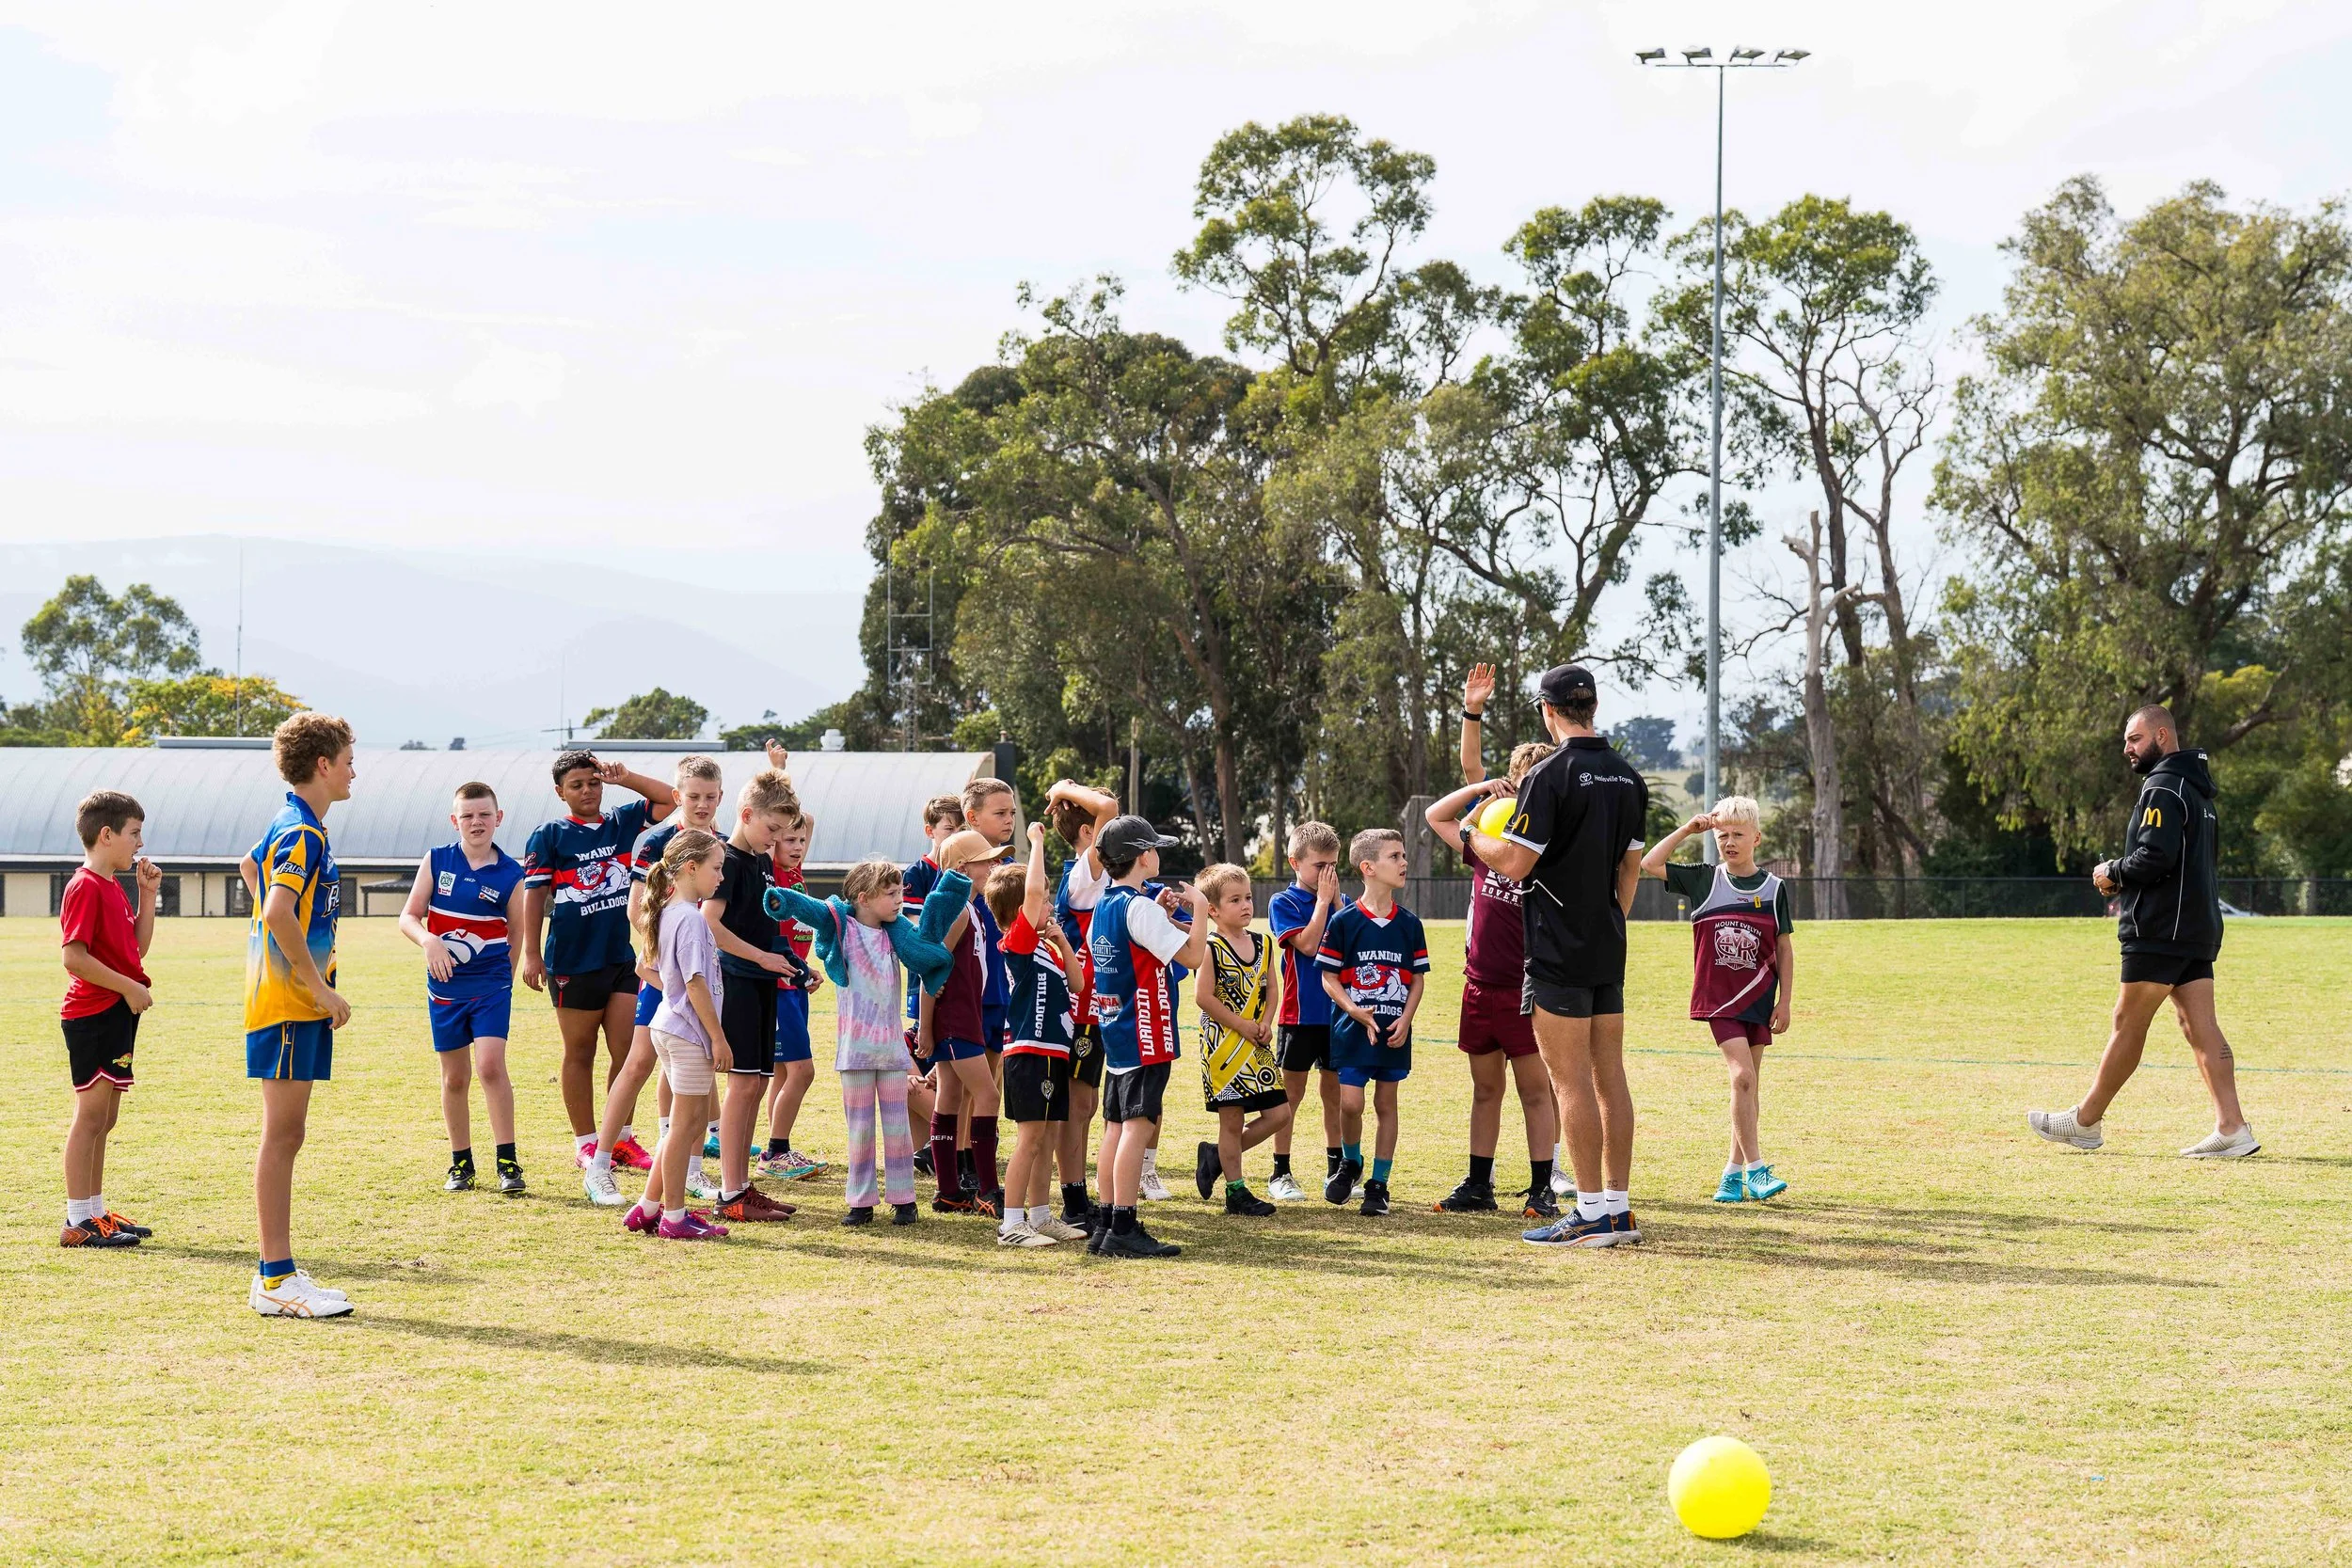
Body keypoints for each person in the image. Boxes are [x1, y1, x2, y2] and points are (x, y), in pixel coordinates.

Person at [1464, 664, 1650, 1250]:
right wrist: (1612, 920)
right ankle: (1618, 1210)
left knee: (1570, 1083)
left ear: (1548, 711)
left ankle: (1591, 1213)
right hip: (1606, 947)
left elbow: (1515, 863)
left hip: (1556, 951)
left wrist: (1472, 836)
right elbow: (1630, 867)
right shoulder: (1629, 778)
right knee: (1610, 1078)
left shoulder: (1550, 775)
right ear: (1592, 707)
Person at [2029, 705, 2257, 1159]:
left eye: (2134, 739)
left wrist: (2111, 870)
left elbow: (2154, 856)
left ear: (2161, 736)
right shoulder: (2199, 793)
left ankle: (2085, 1122)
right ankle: (2233, 1128)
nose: (2127, 749)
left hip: (2160, 930)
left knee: (2127, 1022)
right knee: (2199, 1026)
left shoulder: (2163, 787)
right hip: (2195, 928)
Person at [765, 855, 969, 1227]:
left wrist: (952, 887)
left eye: (899, 892)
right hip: (855, 1050)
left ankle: (904, 1199)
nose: (898, 900)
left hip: (892, 1050)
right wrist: (782, 900)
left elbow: (929, 939)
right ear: (863, 897)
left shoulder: (898, 934)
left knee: (897, 1129)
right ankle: (860, 1203)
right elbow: (812, 911)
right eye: (890, 894)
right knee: (859, 1130)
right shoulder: (841, 926)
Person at [245, 711, 358, 1317]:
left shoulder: (296, 824)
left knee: (289, 1133)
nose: (352, 772)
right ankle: (274, 1280)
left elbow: (248, 866)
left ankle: (276, 1272)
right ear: (323, 765)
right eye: (346, 761)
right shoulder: (303, 834)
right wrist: (315, 986)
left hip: (289, 1001)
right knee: (283, 1134)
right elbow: (279, 913)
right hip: (290, 1005)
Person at [583, 752, 732, 1207]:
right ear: (677, 796)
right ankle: (599, 1165)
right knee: (638, 1065)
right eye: (693, 796)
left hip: (701, 977)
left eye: (710, 797)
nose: (702, 804)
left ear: (721, 797)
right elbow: (637, 910)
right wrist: (666, 966)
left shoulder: (720, 847)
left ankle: (688, 1171)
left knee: (692, 1074)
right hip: (666, 976)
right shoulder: (655, 844)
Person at [518, 750, 678, 1170]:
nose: (587, 790)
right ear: (560, 792)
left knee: (627, 1053)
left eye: (593, 782)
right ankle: (586, 1143)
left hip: (620, 958)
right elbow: (534, 897)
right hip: (572, 961)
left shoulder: (621, 821)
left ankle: (620, 1138)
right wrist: (531, 954)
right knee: (580, 1051)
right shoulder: (550, 835)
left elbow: (670, 799)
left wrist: (625, 777)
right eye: (577, 785)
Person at [1424, 741, 1562, 1219]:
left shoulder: (1548, 852)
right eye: (1518, 783)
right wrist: (1484, 791)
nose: (1522, 794)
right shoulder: (1487, 843)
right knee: (1485, 1089)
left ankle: (1542, 1187)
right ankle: (1479, 1184)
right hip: (1479, 982)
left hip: (1526, 985)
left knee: (1535, 1091)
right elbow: (1437, 818)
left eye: (1532, 786)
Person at [1641, 798, 1796, 1203]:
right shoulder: (1704, 881)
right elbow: (1650, 864)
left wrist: (1786, 1001)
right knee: (1742, 1078)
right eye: (1721, 835)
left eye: (1737, 835)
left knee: (1748, 1088)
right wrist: (1687, 831)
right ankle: (1758, 1170)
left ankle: (1731, 1174)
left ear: (1756, 838)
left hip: (1761, 999)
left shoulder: (1775, 889)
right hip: (1719, 1000)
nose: (1729, 842)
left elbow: (1784, 948)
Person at [1084, 816, 1209, 1259]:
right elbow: (1194, 956)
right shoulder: (1140, 908)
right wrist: (1202, 911)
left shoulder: (1108, 903)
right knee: (1138, 1127)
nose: (1159, 854)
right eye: (1154, 848)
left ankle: (1105, 1221)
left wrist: (1168, 916)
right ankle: (1123, 1223)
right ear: (1141, 857)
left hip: (1117, 1029)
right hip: (1145, 1031)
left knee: (1115, 1127)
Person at [398, 781, 530, 1196]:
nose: (476, 822)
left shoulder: (512, 873)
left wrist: (504, 982)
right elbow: (408, 917)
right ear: (455, 820)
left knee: (491, 1066)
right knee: (455, 1077)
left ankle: (507, 1162)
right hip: (445, 987)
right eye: (468, 815)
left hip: (491, 984)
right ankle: (461, 1165)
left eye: (484, 815)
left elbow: (517, 934)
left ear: (498, 818)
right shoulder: (437, 860)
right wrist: (429, 941)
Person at [56, 790, 161, 1249]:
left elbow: (134, 949)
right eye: (133, 833)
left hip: (116, 1011)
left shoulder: (113, 886)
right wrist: (128, 987)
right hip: (93, 1015)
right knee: (90, 1116)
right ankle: (77, 1220)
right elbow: (73, 958)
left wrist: (147, 893)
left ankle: (96, 1211)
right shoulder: (84, 886)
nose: (139, 843)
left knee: (107, 1118)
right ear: (106, 834)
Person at [703, 768, 803, 1226]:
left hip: (761, 981)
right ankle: (730, 1192)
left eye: (785, 832)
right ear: (746, 815)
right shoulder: (726, 860)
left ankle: (741, 1186)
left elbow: (763, 929)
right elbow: (712, 924)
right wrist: (762, 959)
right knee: (743, 1085)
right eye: (772, 829)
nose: (778, 839)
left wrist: (792, 964)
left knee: (758, 1082)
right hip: (735, 982)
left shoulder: (763, 862)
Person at [1316, 830, 1429, 1218]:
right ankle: (1351, 1162)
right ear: (1368, 868)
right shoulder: (1345, 921)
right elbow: (1328, 977)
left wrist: (1407, 1017)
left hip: (1394, 1030)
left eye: (1403, 855)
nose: (1403, 863)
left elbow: (1416, 979)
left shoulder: (1409, 924)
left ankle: (1379, 1184)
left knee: (1385, 1102)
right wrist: (1355, 1010)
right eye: (1394, 857)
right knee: (1350, 1102)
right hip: (1353, 1028)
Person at [627, 828, 733, 1241]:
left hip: (668, 1028)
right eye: (716, 868)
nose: (720, 876)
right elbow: (694, 982)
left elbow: (644, 968)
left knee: (680, 1129)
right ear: (690, 868)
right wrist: (718, 1037)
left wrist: (672, 993)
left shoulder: (668, 911)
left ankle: (648, 1208)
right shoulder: (688, 917)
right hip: (687, 1035)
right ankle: (674, 1217)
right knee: (685, 1130)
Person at [989, 828, 1091, 1245]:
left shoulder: (1047, 946)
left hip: (1055, 1051)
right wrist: (1037, 844)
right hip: (1028, 1051)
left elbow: (1079, 984)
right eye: (1046, 898)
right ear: (1022, 912)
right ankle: (1011, 1224)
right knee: (1030, 1139)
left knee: (1047, 1137)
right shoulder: (1018, 940)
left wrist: (1064, 941)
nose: (1049, 903)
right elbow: (1031, 893)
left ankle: (1041, 1215)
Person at [916, 827, 1015, 1217]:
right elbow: (930, 967)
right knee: (988, 1095)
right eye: (986, 860)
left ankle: (948, 1191)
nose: (995, 865)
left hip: (966, 1014)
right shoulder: (957, 909)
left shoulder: (974, 907)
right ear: (961, 866)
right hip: (956, 1018)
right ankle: (988, 1189)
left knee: (951, 1096)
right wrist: (926, 1028)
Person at [1189, 862, 1290, 1215]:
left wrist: (1265, 1021)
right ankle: (1236, 1190)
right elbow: (1204, 997)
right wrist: (1242, 1025)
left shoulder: (1263, 943)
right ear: (1213, 910)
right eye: (1235, 900)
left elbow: (1272, 988)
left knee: (1280, 1113)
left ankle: (1217, 1155)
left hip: (1257, 1044)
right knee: (1230, 1120)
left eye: (1248, 897)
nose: (1246, 905)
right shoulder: (1209, 947)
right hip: (1223, 1049)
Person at [1045, 778, 1121, 1231]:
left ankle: (1078, 1193)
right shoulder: (1085, 872)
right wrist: (1064, 788)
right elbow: (1109, 806)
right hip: (1078, 1007)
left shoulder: (1103, 874)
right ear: (1092, 835)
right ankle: (1073, 1200)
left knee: (1086, 1104)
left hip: (1096, 1007)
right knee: (1076, 1105)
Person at [1267, 821, 1344, 1203]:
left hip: (1338, 1016)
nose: (1327, 874)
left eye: (1333, 865)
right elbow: (1310, 946)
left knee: (1336, 1095)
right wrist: (1324, 902)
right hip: (1300, 1016)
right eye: (1319, 866)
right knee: (1289, 1097)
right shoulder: (1284, 902)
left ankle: (1337, 1169)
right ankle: (1280, 1171)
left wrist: (1338, 905)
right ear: (1295, 862)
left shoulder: (1337, 902)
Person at [759, 806, 829, 1183]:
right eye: (788, 839)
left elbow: (808, 820)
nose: (799, 845)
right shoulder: (773, 872)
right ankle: (776, 1150)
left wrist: (807, 969)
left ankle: (777, 1148)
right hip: (779, 988)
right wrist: (778, 773)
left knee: (783, 1073)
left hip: (796, 984)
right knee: (803, 1072)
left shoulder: (797, 872)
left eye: (801, 840)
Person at [900, 795, 965, 1180]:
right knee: (925, 1062)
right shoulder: (919, 873)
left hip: (960, 984)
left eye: (962, 830)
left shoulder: (968, 872)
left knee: (939, 1068)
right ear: (930, 831)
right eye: (949, 830)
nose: (956, 837)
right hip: (926, 985)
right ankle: (935, 1144)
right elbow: (915, 929)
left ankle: (933, 1148)